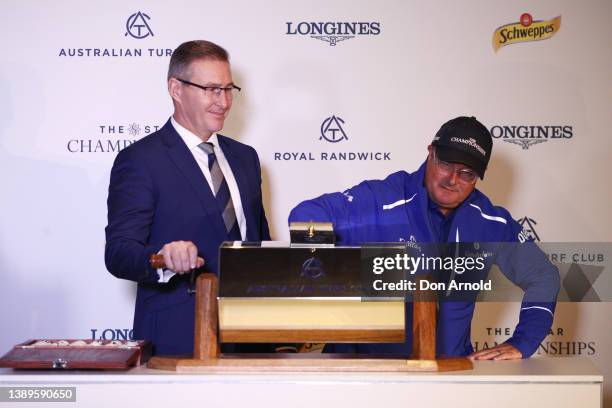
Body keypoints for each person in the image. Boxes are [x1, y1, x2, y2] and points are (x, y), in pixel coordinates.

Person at [288, 116, 559, 360]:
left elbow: (543, 276)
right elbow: (305, 214)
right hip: (367, 374)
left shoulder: (489, 221)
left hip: (448, 375)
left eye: (467, 174)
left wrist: (523, 342)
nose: (452, 179)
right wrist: (339, 273)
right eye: (446, 163)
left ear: (478, 177)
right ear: (430, 153)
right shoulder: (381, 200)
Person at [105, 40, 270, 356]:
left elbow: (259, 243)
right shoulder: (140, 160)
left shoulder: (245, 158)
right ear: (176, 89)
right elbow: (119, 253)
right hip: (178, 340)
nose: (223, 101)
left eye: (228, 89)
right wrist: (163, 258)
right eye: (211, 89)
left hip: (252, 339)